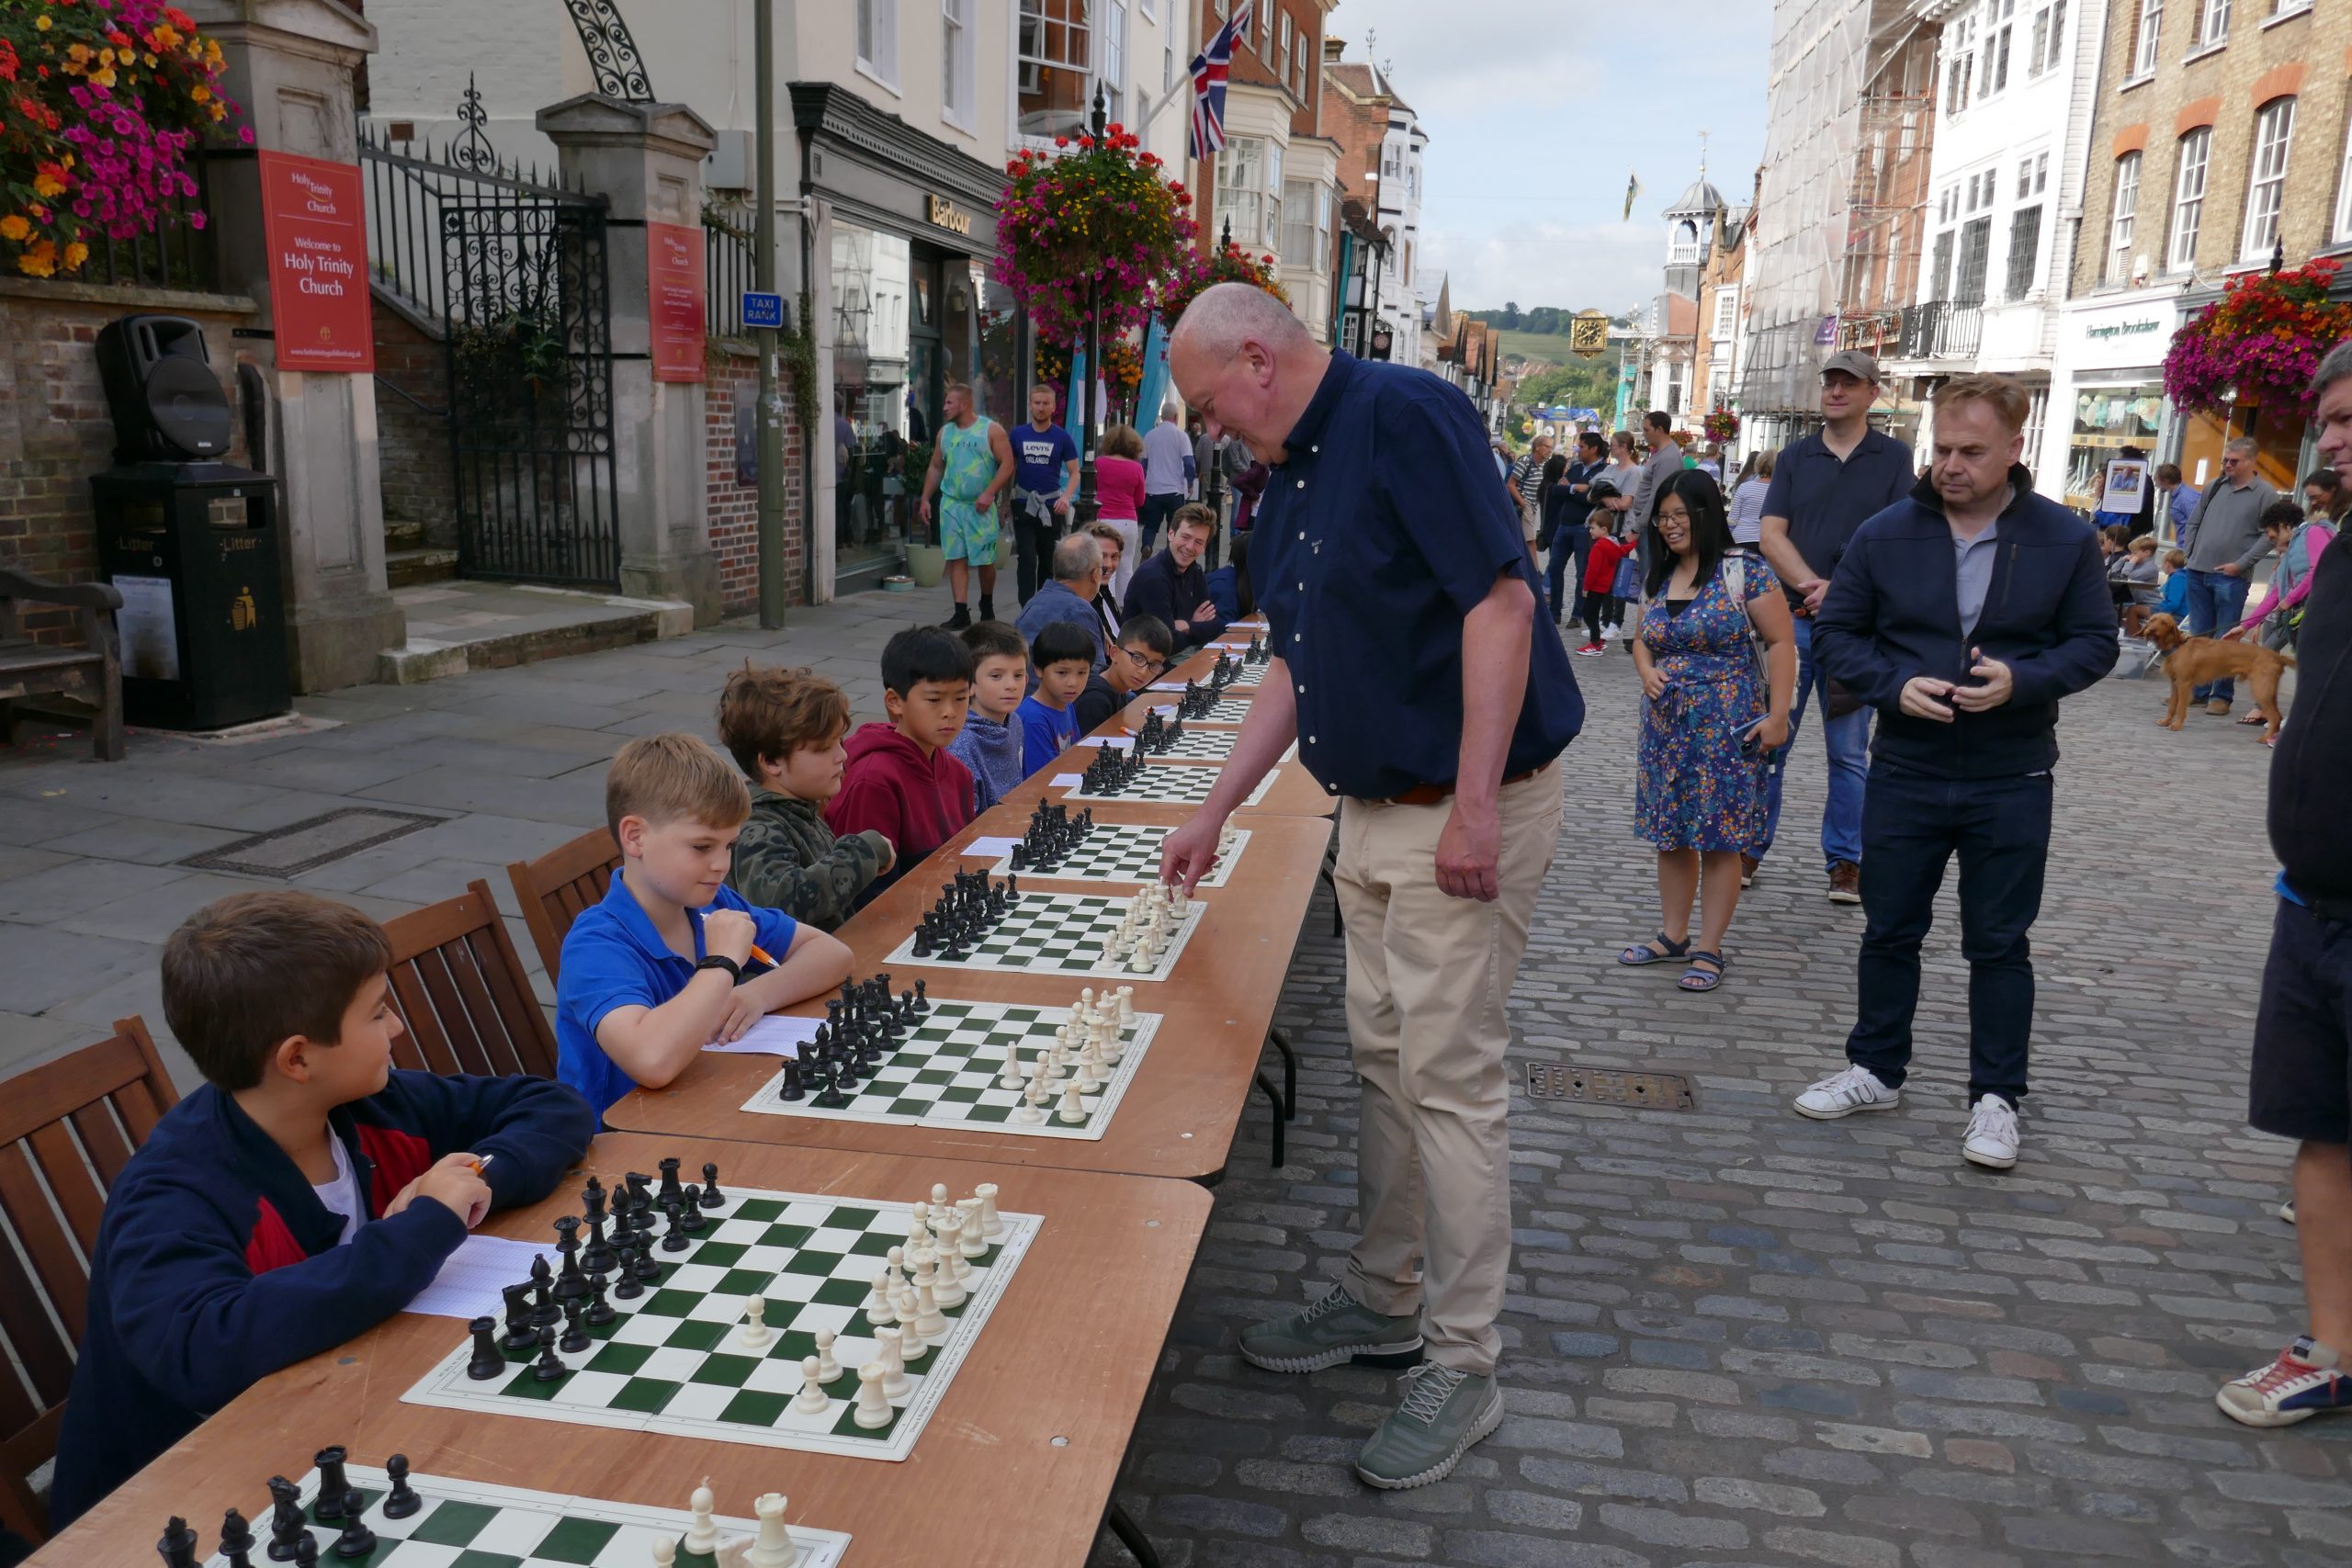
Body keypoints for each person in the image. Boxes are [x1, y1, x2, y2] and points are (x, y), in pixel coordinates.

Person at [1159, 282, 1579, 1491]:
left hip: (1456, 802)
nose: (1210, 428)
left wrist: (1478, 799)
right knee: (1384, 1058)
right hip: (1373, 806)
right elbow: (1299, 656)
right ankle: (1386, 1300)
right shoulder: (1280, 476)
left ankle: (1463, 1357)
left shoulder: (1405, 413)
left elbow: (1500, 601)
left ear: (1253, 355)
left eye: (1207, 403)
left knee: (1449, 1076)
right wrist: (1214, 803)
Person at [46, 890, 594, 1527]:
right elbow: (203, 1345)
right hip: (184, 1506)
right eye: (378, 1012)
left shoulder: (369, 1102)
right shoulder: (175, 1190)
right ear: (298, 1058)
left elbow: (551, 1106)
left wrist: (476, 1180)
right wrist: (421, 1230)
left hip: (354, 1417)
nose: (397, 1027)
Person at [1796, 373, 2118, 1170]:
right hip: (1906, 765)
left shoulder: (2063, 538)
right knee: (1889, 926)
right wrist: (1890, 685)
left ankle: (1997, 1098)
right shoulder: (1885, 533)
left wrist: (2026, 681)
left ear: (2015, 449)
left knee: (2000, 942)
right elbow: (1838, 633)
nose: (1951, 465)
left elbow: (2095, 643)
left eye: (1972, 451)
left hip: (2011, 774)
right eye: (1942, 448)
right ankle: (1876, 1069)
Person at [2216, 338, 2352, 1429]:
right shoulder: (2338, 547)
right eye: (2332, 417)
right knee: (2322, 1131)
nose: (2337, 434)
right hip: (2311, 900)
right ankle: (2330, 1349)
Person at [556, 735, 856, 1119]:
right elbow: (652, 1062)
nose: (721, 865)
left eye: (729, 845)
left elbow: (833, 953)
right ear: (635, 837)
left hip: (707, 1105)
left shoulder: (711, 903)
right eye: (702, 847)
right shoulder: (596, 945)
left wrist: (757, 995)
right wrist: (720, 965)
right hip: (621, 1147)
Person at [1620, 472, 1796, 990]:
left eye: (1679, 515)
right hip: (1665, 728)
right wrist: (1646, 670)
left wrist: (1778, 715)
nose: (1669, 526)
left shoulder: (1747, 572)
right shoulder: (1659, 573)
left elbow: (1782, 643)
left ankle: (1709, 947)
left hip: (1727, 726)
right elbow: (1642, 640)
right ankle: (1673, 935)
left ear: (1705, 514)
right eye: (1663, 517)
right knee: (1670, 835)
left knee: (1720, 839)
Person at [1754, 349, 1917, 901]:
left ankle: (1845, 861)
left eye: (1849, 383)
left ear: (1873, 392)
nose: (1836, 391)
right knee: (1772, 739)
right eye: (1830, 382)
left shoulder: (1894, 458)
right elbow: (1772, 533)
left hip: (1856, 635)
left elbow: (1904, 538)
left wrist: (1843, 594)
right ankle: (1750, 846)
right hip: (1792, 627)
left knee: (1848, 753)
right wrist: (1809, 585)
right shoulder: (1796, 457)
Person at [718, 664, 894, 929]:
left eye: (840, 742)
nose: (842, 756)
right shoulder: (757, 824)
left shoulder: (801, 806)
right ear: (773, 761)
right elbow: (783, 901)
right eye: (824, 748)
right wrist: (864, 851)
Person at [824, 626, 978, 896]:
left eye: (961, 698)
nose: (950, 712)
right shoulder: (873, 781)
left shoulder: (958, 773)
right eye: (934, 700)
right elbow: (863, 893)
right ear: (895, 702)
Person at [2178, 437, 2282, 715]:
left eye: (2233, 461)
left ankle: (2221, 696)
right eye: (2225, 460)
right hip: (2198, 571)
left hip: (2231, 577)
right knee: (2200, 636)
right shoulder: (2214, 486)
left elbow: (2270, 536)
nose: (2226, 465)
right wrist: (2189, 552)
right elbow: (2194, 521)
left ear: (2251, 461)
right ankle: (2198, 691)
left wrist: (2241, 563)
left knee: (2226, 637)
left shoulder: (2264, 493)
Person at [920, 381, 1014, 630]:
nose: (944, 407)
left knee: (985, 560)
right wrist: (925, 498)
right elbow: (936, 466)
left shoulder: (991, 431)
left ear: (965, 404)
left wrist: (989, 492)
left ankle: (987, 605)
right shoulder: (945, 433)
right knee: (956, 558)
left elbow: (1007, 464)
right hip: (952, 505)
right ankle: (960, 611)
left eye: (949, 402)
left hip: (980, 507)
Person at [2226, 499, 2335, 663]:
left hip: (2326, 613)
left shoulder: (2313, 532)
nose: (2269, 537)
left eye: (2270, 531)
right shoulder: (2290, 551)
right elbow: (2275, 594)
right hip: (2308, 614)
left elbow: (2318, 571)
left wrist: (2289, 600)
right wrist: (2244, 626)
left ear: (2283, 524)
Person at [947, 619, 1032, 812]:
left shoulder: (1015, 721)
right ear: (968, 684)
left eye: (1018, 675)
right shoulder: (962, 743)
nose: (1011, 685)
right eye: (996, 676)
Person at [1009, 384, 1080, 605]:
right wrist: (1002, 501)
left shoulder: (1062, 437)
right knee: (1027, 557)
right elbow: (1008, 468)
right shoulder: (1018, 434)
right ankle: (1027, 605)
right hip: (1023, 503)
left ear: (1053, 407)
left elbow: (1075, 471)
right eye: (1036, 403)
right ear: (1030, 406)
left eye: (1045, 403)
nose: (1040, 407)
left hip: (1051, 506)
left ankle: (1045, 603)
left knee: (1049, 559)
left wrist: (1066, 497)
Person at [1124, 502, 1227, 651]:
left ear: (1205, 547)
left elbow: (1214, 627)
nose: (1190, 547)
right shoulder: (1153, 577)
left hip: (1180, 655)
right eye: (1186, 537)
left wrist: (1186, 625)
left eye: (1199, 542)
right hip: (1147, 664)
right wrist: (1195, 625)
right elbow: (1165, 644)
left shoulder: (1195, 571)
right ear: (1171, 534)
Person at [1014, 531, 1109, 675]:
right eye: (1103, 569)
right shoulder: (1079, 610)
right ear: (1095, 574)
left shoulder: (1035, 602)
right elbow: (1096, 678)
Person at [1074, 614, 1175, 732]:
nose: (1143, 672)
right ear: (1114, 653)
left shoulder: (1118, 689)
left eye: (1154, 665)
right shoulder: (1094, 701)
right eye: (1138, 658)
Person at [1547, 432, 1609, 626]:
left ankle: (1577, 615)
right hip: (1564, 525)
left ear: (1593, 448)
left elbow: (1594, 498)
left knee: (1582, 572)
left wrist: (1572, 490)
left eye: (1581, 446)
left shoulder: (1603, 472)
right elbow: (1556, 491)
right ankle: (1554, 611)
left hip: (1584, 527)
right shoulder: (1574, 468)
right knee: (1555, 568)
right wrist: (1576, 488)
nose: (1578, 450)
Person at [1018, 620, 1094, 773]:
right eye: (1062, 673)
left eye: (1082, 673)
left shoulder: (1067, 704)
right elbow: (1044, 777)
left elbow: (1075, 755)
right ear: (1039, 669)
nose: (1073, 683)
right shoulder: (1033, 718)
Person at [1093, 423, 1148, 601]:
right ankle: (1125, 605)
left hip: (1104, 518)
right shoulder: (1136, 468)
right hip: (1128, 520)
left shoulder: (1100, 463)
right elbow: (1140, 500)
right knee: (1125, 565)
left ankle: (1107, 604)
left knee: (1107, 565)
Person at [1577, 503, 1633, 655]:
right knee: (1593, 612)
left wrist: (1586, 587)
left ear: (1603, 529)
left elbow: (1592, 569)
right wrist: (1634, 541)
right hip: (1605, 586)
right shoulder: (1613, 544)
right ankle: (1597, 641)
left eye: (1593, 528)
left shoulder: (1599, 547)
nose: (1590, 531)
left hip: (1595, 586)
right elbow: (1624, 549)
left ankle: (1595, 644)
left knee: (1589, 614)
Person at [1140, 402, 1194, 551]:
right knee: (1174, 527)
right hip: (1174, 490)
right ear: (1176, 417)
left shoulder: (1150, 436)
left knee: (1151, 526)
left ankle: (1147, 546)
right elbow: (1189, 463)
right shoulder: (1181, 436)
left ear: (1162, 417)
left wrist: (1143, 484)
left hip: (1153, 490)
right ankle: (1169, 554)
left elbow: (1143, 464)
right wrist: (1190, 483)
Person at [1084, 520, 1127, 648]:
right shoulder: (1083, 603)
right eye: (1102, 556)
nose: (1108, 564)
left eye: (1114, 557)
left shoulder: (1104, 591)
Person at [2109, 532, 2163, 620]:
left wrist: (2131, 563)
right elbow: (2111, 574)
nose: (2131, 555)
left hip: (2152, 603)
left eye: (2134, 553)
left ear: (2146, 553)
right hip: (2139, 602)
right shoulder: (2134, 565)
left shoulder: (2151, 568)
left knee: (2128, 611)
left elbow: (2125, 577)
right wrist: (2121, 560)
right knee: (2113, 608)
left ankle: (2130, 633)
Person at [1730, 447, 1773, 546]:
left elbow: (1733, 519)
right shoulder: (1780, 490)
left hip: (1742, 538)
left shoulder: (1744, 486)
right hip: (1768, 540)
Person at [2155, 462, 2201, 547]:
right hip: (2184, 548)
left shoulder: (2186, 497)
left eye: (2157, 480)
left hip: (2189, 550)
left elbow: (2197, 524)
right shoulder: (2178, 496)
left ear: (2165, 481)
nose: (2156, 484)